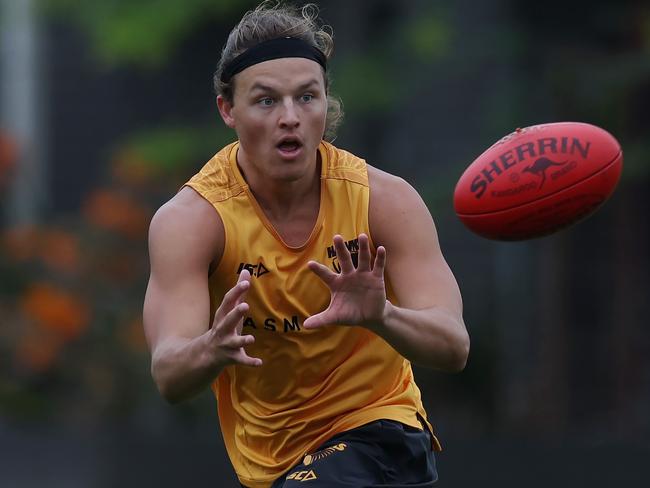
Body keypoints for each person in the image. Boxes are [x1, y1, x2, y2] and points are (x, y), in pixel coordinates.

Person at [143, 2, 470, 487]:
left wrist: (383, 316)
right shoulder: (193, 221)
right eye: (267, 101)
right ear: (227, 110)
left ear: (325, 102)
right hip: (272, 465)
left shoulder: (385, 201)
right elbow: (169, 374)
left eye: (307, 97)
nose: (291, 117)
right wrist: (210, 348)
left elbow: (453, 345)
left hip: (381, 432)